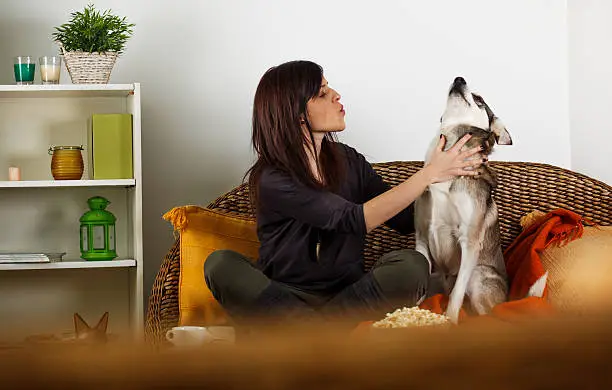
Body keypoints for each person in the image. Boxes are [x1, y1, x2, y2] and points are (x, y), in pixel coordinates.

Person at [204, 60, 483, 326]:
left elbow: (403, 221)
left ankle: (306, 334)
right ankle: (328, 333)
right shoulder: (272, 178)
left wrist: (447, 179)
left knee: (412, 265)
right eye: (323, 93)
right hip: (284, 298)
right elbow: (352, 218)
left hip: (350, 297)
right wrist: (429, 174)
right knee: (219, 265)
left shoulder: (348, 160)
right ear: (297, 113)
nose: (337, 95)